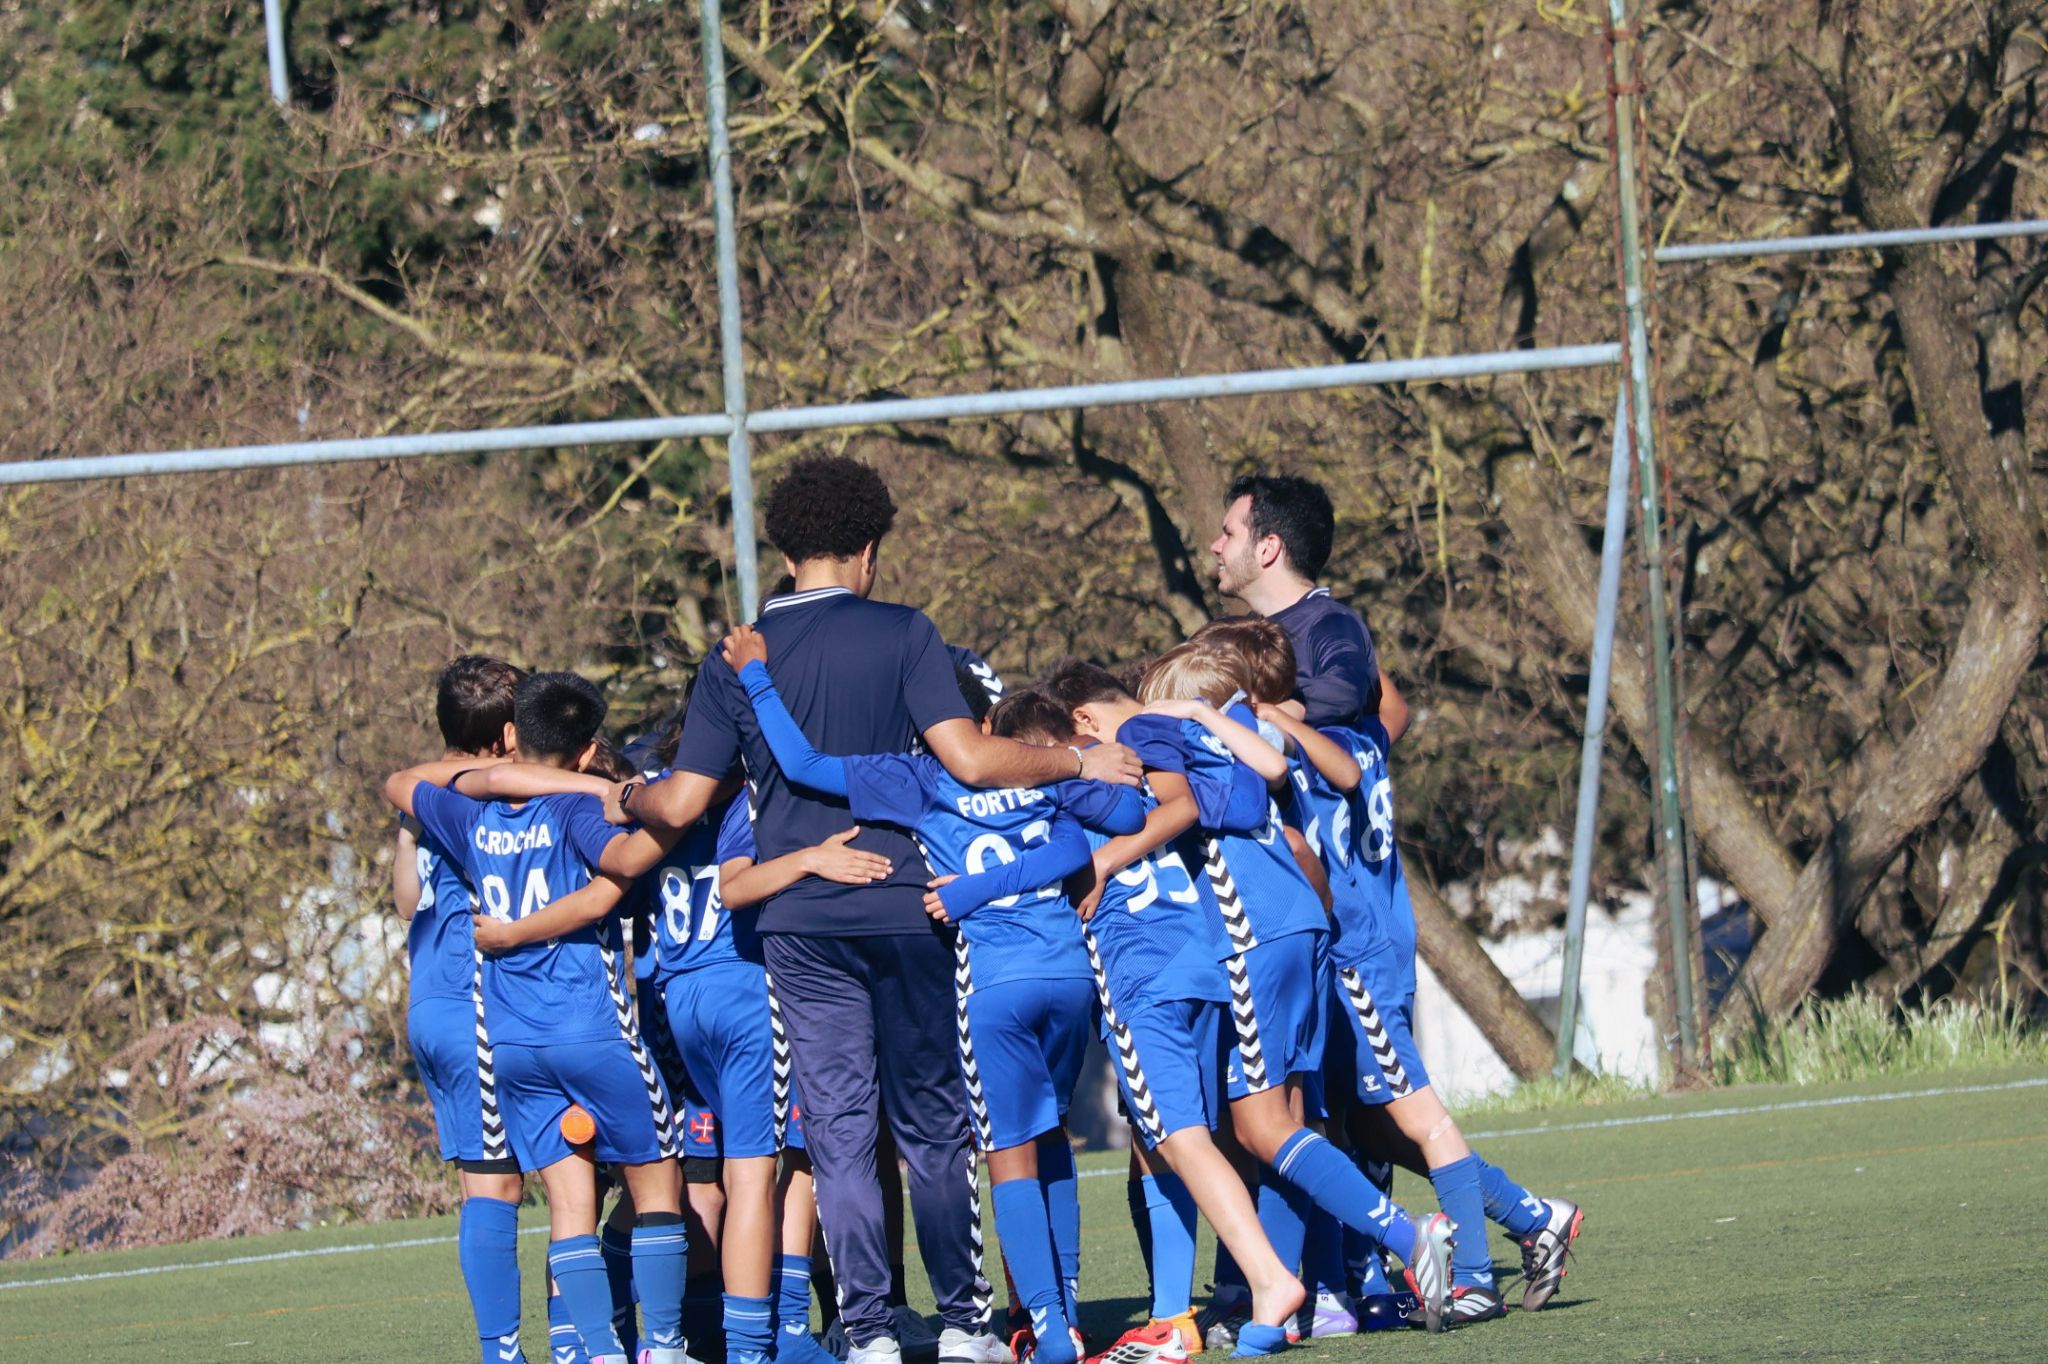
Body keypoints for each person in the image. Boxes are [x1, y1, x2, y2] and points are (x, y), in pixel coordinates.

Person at [612, 455, 1142, 1364]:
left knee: (840, 1134)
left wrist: (624, 798)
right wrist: (1076, 762)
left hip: (800, 926)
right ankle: (969, 1326)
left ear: (787, 552)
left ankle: (867, 1334)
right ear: (864, 549)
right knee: (936, 1128)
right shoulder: (905, 632)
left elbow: (682, 803)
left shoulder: (735, 657)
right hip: (909, 907)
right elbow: (972, 762)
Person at [724, 632, 1147, 1364]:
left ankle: (1040, 1329)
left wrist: (756, 677)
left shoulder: (920, 777)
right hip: (1070, 977)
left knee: (1003, 1151)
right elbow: (1122, 824)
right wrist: (1085, 762)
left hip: (991, 984)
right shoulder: (1043, 771)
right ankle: (1065, 1313)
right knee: (1053, 1143)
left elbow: (804, 764)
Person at [1200, 625, 1584, 1326]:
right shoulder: (1365, 732)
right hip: (1364, 942)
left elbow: (1311, 776)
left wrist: (1242, 719)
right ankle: (1531, 1216)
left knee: (1418, 1117)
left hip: (1355, 953)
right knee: (1369, 1131)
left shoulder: (1284, 737)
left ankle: (1471, 1273)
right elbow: (1385, 713)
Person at [385, 672, 690, 1364]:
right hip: (549, 1018)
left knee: (554, 1192)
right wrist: (655, 800)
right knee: (643, 1180)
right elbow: (616, 868)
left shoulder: (457, 814)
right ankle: (639, 1346)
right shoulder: (567, 810)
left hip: (476, 1025)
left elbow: (404, 811)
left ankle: (586, 1348)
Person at [390, 655, 534, 1364]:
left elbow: (403, 902)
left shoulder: (418, 794)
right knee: (506, 1183)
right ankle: (506, 1354)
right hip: (479, 1002)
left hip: (431, 1000)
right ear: (509, 735)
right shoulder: (490, 795)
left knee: (492, 1179)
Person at [1208, 476, 1407, 740]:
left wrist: (1265, 713)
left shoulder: (1331, 623)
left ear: (1268, 548)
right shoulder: (1225, 634)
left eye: (1229, 534)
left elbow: (1346, 690)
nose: (1215, 546)